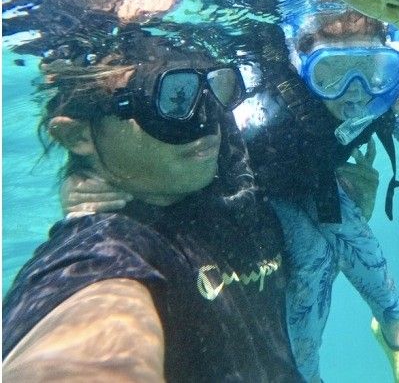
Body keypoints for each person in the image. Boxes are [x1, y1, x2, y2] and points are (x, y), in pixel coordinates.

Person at [2, 33, 303, 382]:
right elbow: (83, 338)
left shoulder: (232, 176)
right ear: (77, 137)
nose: (206, 120)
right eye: (173, 100)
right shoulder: (105, 250)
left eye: (213, 89)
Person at [235, 6, 399, 383]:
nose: (354, 90)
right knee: (314, 255)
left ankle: (395, 331)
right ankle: (305, 374)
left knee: (361, 242)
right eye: (332, 74)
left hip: (320, 185)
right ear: (304, 68)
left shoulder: (379, 96)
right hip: (267, 195)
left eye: (371, 68)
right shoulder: (269, 103)